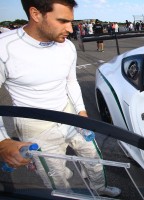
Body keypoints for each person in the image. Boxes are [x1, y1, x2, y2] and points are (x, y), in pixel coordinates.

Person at [0, 0, 121, 197]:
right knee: (55, 176)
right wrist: (3, 142)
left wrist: (81, 111)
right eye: (63, 21)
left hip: (69, 114)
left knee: (93, 157)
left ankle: (99, 188)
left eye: (71, 22)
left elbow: (71, 82)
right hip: (36, 126)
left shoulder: (66, 47)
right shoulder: (4, 48)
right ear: (36, 14)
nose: (70, 29)